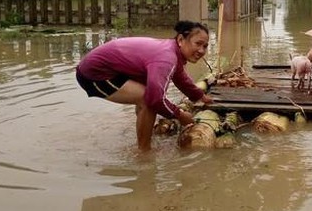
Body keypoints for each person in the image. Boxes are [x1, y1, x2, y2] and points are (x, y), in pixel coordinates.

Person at [76, 20, 214, 151]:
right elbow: (155, 99)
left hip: (111, 70)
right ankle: (144, 152)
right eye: (198, 44)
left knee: (146, 96)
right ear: (180, 40)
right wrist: (180, 115)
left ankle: (144, 139)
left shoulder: (172, 52)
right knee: (147, 100)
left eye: (205, 46)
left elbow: (181, 78)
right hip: (94, 73)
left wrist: (200, 96)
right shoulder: (167, 58)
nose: (201, 50)